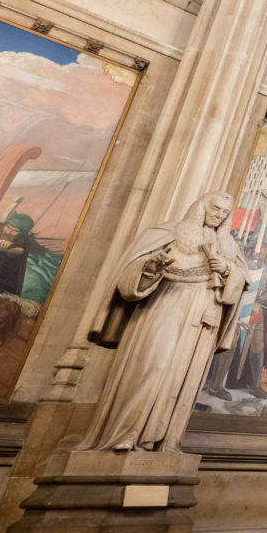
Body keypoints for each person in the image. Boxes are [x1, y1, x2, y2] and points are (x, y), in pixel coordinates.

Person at [81, 192, 247, 452]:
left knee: (182, 380)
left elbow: (241, 281)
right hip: (166, 306)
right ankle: (125, 432)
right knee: (153, 365)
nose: (219, 215)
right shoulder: (168, 233)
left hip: (204, 317)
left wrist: (227, 270)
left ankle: (160, 441)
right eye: (215, 208)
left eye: (225, 213)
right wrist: (152, 268)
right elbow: (129, 278)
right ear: (200, 205)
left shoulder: (228, 246)